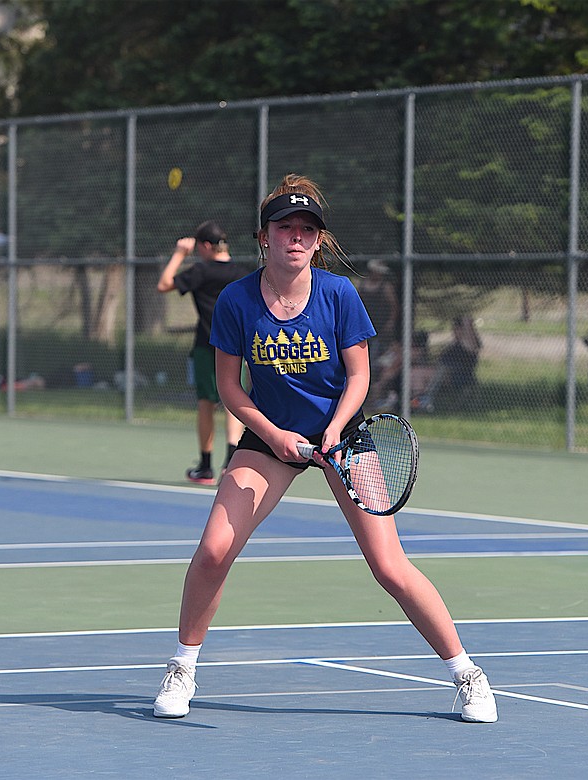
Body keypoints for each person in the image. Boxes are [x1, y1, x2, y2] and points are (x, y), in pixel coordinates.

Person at [152, 174, 498, 724]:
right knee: (216, 548)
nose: (296, 237)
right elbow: (230, 388)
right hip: (269, 441)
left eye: (306, 230)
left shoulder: (338, 294)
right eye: (285, 227)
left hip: (344, 439)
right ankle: (182, 666)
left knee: (389, 566)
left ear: (319, 240)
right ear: (263, 236)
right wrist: (274, 436)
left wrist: (335, 427)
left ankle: (468, 675)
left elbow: (358, 375)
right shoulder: (238, 300)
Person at [157, 221, 252, 485]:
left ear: (206, 246)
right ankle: (231, 462)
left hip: (206, 345)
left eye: (199, 248)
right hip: (237, 346)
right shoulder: (243, 274)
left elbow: (164, 284)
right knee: (235, 402)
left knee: (206, 403)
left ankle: (206, 467)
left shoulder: (200, 270)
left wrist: (179, 254)